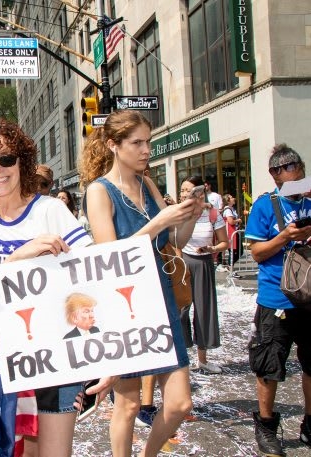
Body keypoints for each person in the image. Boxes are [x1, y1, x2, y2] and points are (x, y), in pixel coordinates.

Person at [0, 118, 106, 457]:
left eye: (6, 159)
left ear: (22, 161)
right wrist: (15, 260)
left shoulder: (51, 211)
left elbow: (97, 279)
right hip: (6, 365)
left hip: (60, 360)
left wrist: (108, 357)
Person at [79, 110, 201, 457]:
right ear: (113, 146)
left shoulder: (147, 184)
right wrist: (159, 220)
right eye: (137, 143)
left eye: (148, 141)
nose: (146, 149)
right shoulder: (99, 192)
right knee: (129, 404)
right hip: (124, 304)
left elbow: (173, 239)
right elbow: (109, 255)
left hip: (160, 299)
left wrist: (189, 217)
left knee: (179, 403)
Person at [244, 144, 311, 457]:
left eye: (298, 171)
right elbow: (256, 252)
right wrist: (285, 237)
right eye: (287, 173)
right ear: (275, 175)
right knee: (269, 366)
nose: (295, 179)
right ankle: (266, 425)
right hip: (276, 299)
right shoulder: (265, 205)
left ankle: (309, 424)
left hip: (308, 297)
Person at [178, 176, 229, 374]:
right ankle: (183, 358)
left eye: (189, 190)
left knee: (204, 310)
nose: (184, 194)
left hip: (204, 262)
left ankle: (203, 359)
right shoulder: (178, 213)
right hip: (182, 262)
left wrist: (212, 248)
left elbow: (225, 242)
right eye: (182, 190)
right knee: (181, 311)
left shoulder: (212, 213)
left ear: (200, 191)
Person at [222, 193, 243, 269]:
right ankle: (230, 267)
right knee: (234, 251)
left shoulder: (232, 209)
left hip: (234, 232)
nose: (233, 198)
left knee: (238, 251)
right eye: (231, 197)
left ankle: (230, 266)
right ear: (228, 201)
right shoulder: (228, 210)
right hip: (231, 233)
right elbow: (230, 221)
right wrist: (238, 220)